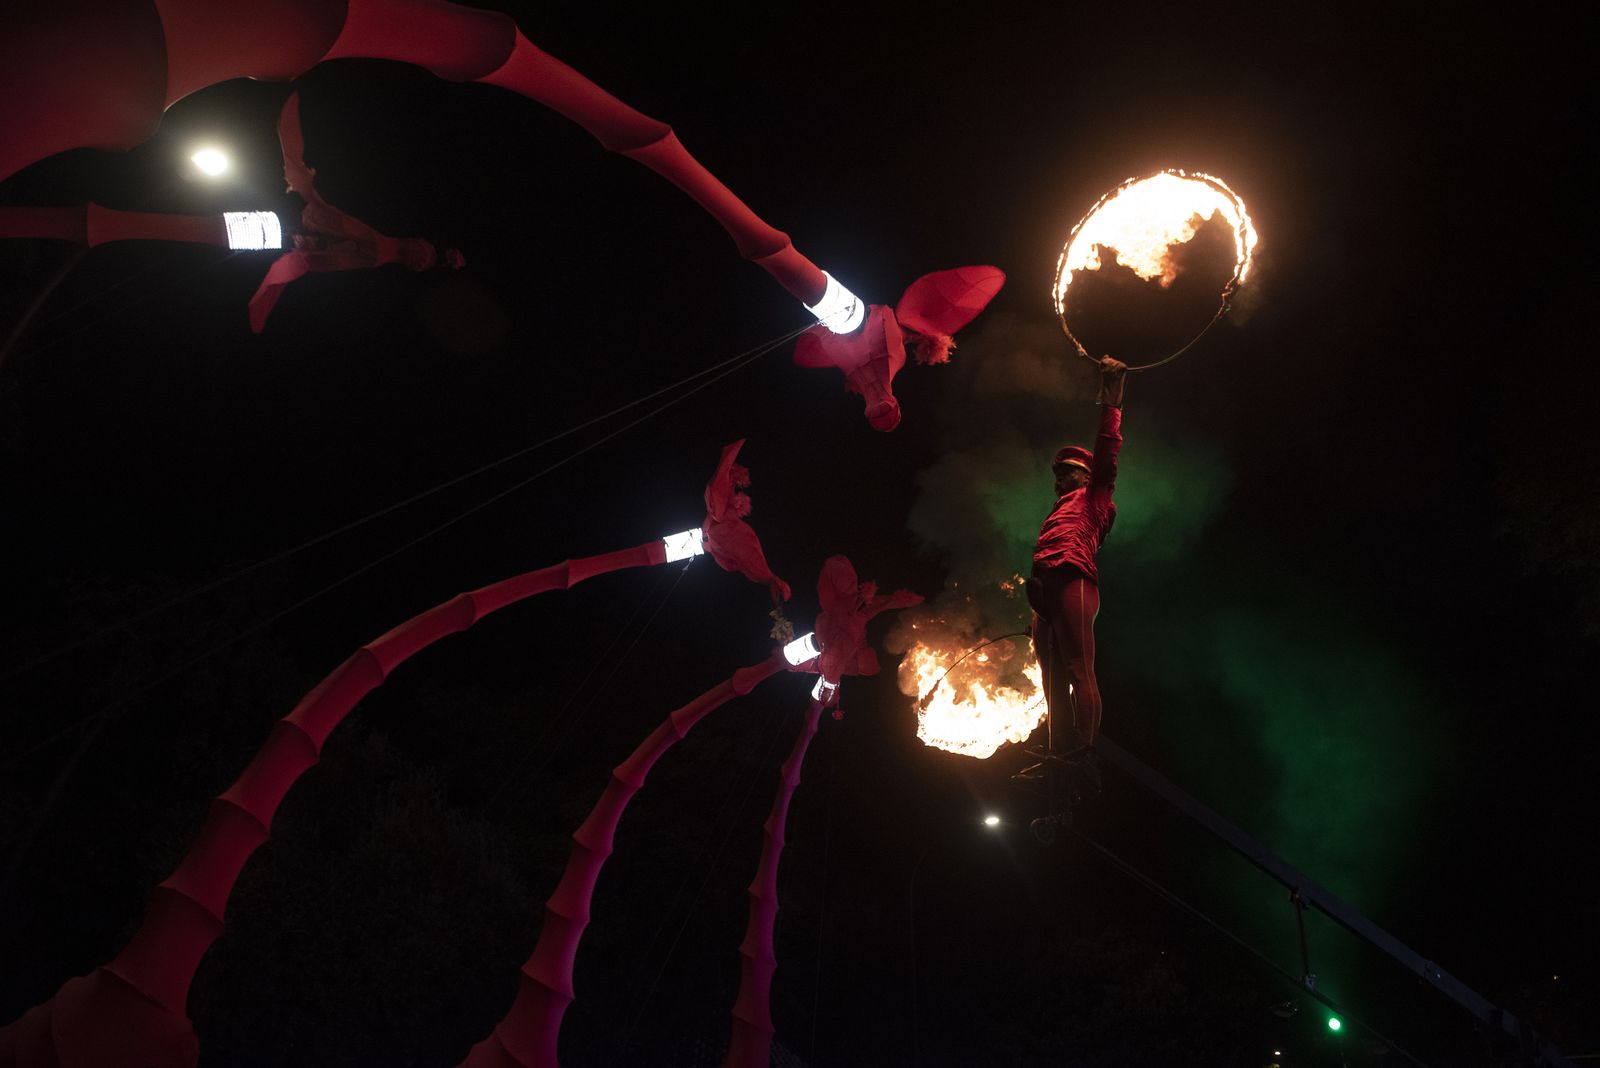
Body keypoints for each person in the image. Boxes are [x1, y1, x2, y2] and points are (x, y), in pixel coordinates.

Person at [1017, 354, 1127, 788]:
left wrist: (1112, 396)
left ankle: (1083, 751)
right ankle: (1056, 751)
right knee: (1049, 676)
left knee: (1079, 668)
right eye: (1058, 474)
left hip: (1073, 579)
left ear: (1086, 475)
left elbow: (1107, 447)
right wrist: (1034, 617)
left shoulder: (1097, 498)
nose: (1060, 479)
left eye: (1068, 472)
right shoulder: (1059, 509)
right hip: (1044, 590)